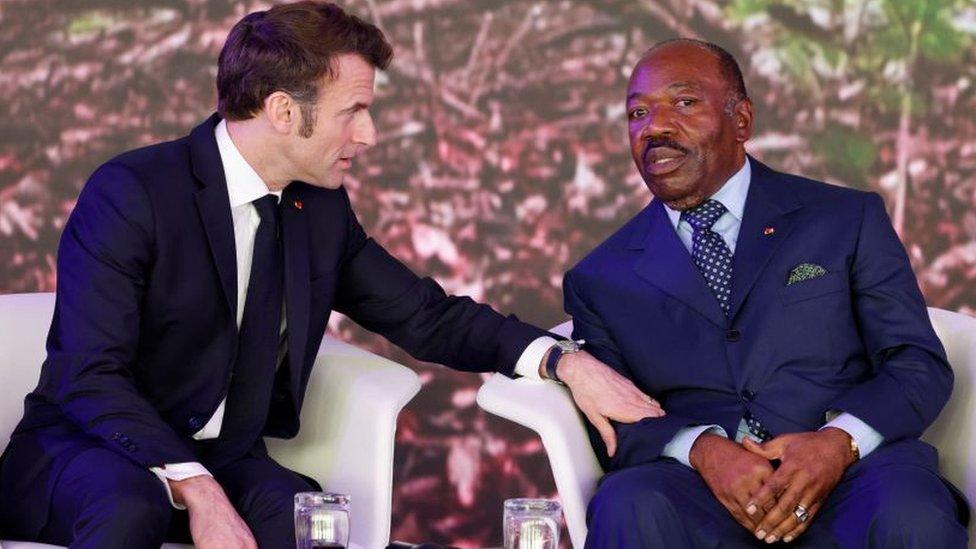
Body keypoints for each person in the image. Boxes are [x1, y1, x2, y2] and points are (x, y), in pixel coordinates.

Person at [0, 3, 662, 547]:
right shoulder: (132, 192)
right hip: (89, 452)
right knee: (130, 510)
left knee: (308, 522)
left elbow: (427, 315)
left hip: (228, 458)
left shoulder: (316, 208)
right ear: (286, 112)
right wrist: (195, 487)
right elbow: (91, 375)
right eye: (355, 111)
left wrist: (561, 361)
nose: (368, 134)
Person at [567, 38, 969, 548]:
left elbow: (916, 363)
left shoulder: (845, 220)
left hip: (855, 478)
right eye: (638, 112)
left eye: (685, 102)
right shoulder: (600, 277)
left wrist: (839, 442)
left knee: (913, 514)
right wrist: (701, 450)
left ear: (742, 121)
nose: (656, 126)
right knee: (629, 504)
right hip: (696, 491)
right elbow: (612, 417)